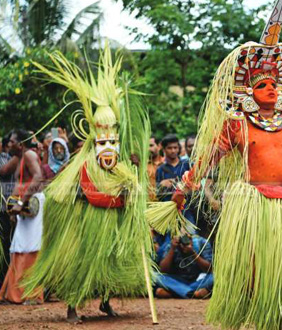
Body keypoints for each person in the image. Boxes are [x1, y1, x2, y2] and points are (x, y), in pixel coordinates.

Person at [169, 2, 282, 329]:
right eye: (261, 84)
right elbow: (208, 158)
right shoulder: (237, 125)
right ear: (249, 92)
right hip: (255, 206)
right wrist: (185, 187)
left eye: (274, 83)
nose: (270, 87)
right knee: (257, 271)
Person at [23, 46, 156, 324]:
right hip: (86, 229)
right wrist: (119, 197)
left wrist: (133, 179)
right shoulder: (83, 167)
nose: (108, 148)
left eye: (112, 141)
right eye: (103, 142)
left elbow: (135, 194)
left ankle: (106, 302)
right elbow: (90, 194)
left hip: (112, 227)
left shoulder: (122, 166)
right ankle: (72, 307)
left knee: (113, 261)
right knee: (82, 265)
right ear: (93, 139)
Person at [0, 129, 44, 304]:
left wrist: (22, 202)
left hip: (33, 205)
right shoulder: (21, 157)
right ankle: (16, 292)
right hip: (24, 208)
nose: (9, 144)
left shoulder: (31, 155)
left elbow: (38, 177)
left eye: (11, 141)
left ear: (20, 143)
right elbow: (18, 182)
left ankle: (32, 293)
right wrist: (14, 210)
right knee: (18, 247)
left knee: (30, 247)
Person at [155, 234, 213, 299]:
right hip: (178, 280)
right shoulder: (172, 244)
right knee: (156, 276)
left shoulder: (202, 243)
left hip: (198, 281)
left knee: (214, 276)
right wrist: (172, 249)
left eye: (187, 239)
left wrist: (193, 253)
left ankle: (177, 293)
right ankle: (192, 293)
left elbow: (208, 269)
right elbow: (163, 270)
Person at [0, 134, 19, 286]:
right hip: (3, 208)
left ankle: (6, 284)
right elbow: (4, 170)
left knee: (8, 245)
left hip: (8, 208)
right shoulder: (8, 158)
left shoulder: (8, 156)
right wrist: (20, 153)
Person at [147, 136, 164, 201]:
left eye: (151, 145)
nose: (148, 149)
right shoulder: (141, 166)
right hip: (147, 205)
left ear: (159, 146)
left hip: (164, 205)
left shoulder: (165, 163)